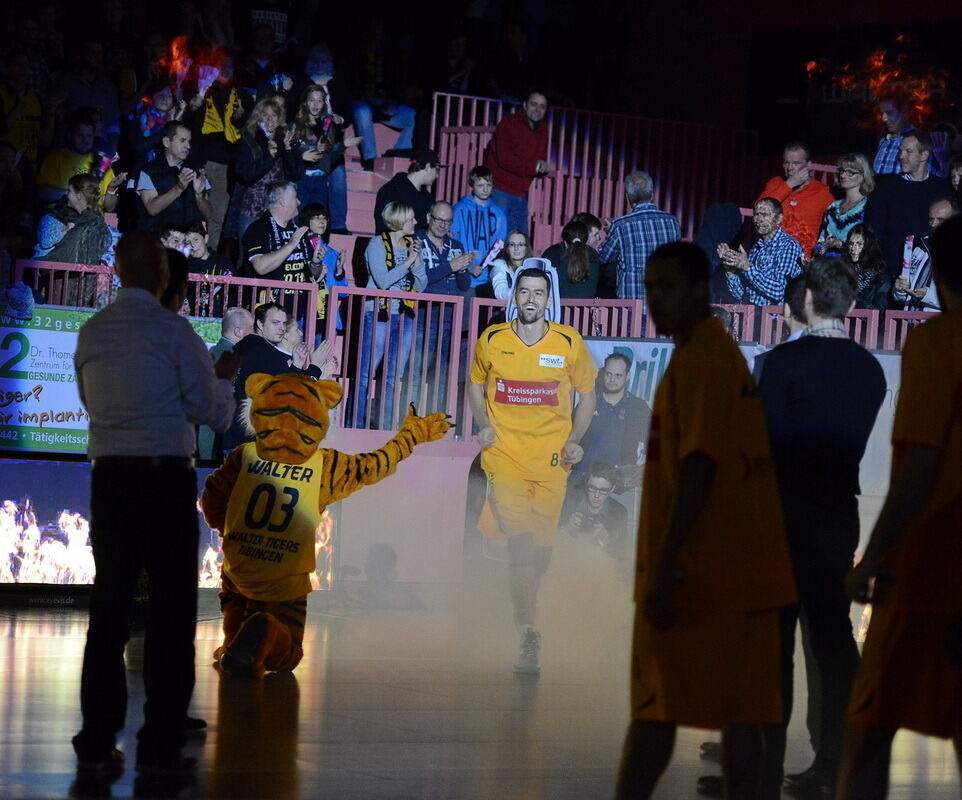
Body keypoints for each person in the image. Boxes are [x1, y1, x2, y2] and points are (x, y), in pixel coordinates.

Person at [614, 242, 796, 800]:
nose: (655, 299)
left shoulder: (700, 361)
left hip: (699, 577)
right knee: (741, 719)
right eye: (649, 287)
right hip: (745, 575)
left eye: (667, 286)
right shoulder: (718, 354)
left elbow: (697, 467)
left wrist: (667, 565)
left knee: (655, 711)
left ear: (701, 292)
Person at [71, 232, 239, 773]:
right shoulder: (174, 332)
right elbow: (211, 412)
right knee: (171, 609)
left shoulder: (93, 333)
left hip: (111, 479)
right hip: (165, 480)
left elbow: (87, 399)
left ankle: (98, 733)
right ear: (162, 278)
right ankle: (163, 725)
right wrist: (223, 383)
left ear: (119, 271)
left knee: (110, 606)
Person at [837, 215, 962, 799]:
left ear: (938, 272)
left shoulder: (939, 342)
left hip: (932, 566)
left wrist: (871, 559)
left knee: (869, 727)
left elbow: (918, 470)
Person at [756, 257, 886, 797]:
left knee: (772, 643)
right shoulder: (870, 370)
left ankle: (759, 771)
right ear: (852, 306)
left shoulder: (781, 364)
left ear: (805, 299)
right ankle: (836, 764)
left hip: (782, 514)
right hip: (837, 516)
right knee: (833, 640)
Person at [468, 268, 597, 674]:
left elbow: (588, 395)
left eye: (538, 294)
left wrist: (575, 438)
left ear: (548, 300)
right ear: (515, 296)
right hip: (503, 458)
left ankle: (525, 614)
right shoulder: (492, 339)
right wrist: (482, 423)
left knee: (539, 556)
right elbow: (474, 383)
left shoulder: (567, 342)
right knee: (522, 547)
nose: (530, 299)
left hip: (552, 464)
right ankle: (528, 633)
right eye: (524, 291)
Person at [354, 202, 427, 429]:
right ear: (399, 220)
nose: (416, 222)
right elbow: (383, 282)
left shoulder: (411, 245)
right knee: (366, 374)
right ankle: (355, 424)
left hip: (404, 316)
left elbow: (422, 285)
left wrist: (416, 262)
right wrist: (407, 261)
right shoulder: (376, 244)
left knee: (394, 377)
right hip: (378, 314)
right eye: (411, 218)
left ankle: (384, 426)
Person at [222, 301, 321, 453]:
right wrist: (315, 368)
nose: (281, 328)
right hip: (253, 443)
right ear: (260, 324)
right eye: (275, 323)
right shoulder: (266, 353)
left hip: (231, 438)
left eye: (283, 323)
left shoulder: (241, 347)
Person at [865, 130, 951, 280]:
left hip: (931, 276)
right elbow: (874, 232)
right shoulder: (884, 187)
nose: (901, 156)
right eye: (901, 151)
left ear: (924, 155)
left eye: (908, 151)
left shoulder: (942, 189)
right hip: (890, 275)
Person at [415, 201, 473, 410]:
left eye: (447, 221)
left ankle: (435, 423)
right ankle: (405, 421)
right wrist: (451, 266)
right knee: (415, 372)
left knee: (442, 375)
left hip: (450, 320)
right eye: (439, 219)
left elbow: (465, 285)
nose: (442, 225)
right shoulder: (416, 241)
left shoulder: (455, 246)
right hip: (424, 319)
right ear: (429, 218)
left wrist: (462, 270)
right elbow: (419, 280)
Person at [599, 171, 681, 300]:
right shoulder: (672, 222)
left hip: (631, 306)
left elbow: (603, 257)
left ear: (627, 198)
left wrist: (611, 233)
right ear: (652, 195)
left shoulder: (620, 225)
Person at [234, 98, 304, 242]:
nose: (270, 119)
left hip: (277, 212)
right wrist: (269, 157)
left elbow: (294, 175)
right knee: (247, 258)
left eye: (274, 115)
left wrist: (289, 149)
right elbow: (246, 176)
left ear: (279, 119)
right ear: (258, 118)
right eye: (265, 115)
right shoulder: (247, 141)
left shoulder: (285, 140)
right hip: (251, 210)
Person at [483, 90, 552, 233]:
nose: (538, 109)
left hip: (520, 193)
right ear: (525, 105)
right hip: (499, 189)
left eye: (542, 106)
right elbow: (505, 159)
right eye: (534, 104)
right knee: (496, 239)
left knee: (520, 243)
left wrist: (542, 167)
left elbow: (540, 159)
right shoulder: (509, 123)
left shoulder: (543, 129)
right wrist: (534, 168)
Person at [720, 197, 803, 306]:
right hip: (752, 316)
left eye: (764, 215)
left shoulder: (788, 246)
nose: (758, 219)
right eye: (756, 214)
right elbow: (741, 295)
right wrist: (730, 270)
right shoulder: (756, 249)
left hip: (774, 319)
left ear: (779, 219)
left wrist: (746, 266)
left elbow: (779, 291)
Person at [756, 141, 833, 257]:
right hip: (770, 256)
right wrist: (789, 185)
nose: (790, 168)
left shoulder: (823, 192)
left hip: (803, 260)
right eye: (786, 163)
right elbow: (759, 210)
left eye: (796, 163)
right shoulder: (776, 183)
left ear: (808, 165)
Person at [135, 121, 212, 235]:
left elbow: (208, 214)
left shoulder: (196, 170)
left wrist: (199, 196)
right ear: (167, 142)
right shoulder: (149, 171)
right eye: (182, 141)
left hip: (190, 243)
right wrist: (178, 188)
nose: (188, 146)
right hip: (162, 241)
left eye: (189, 141)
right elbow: (152, 208)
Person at [241, 181, 311, 305]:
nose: (299, 202)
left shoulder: (297, 230)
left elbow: (312, 273)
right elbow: (261, 267)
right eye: (295, 198)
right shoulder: (258, 229)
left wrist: (316, 264)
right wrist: (290, 245)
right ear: (283, 201)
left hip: (296, 311)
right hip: (267, 312)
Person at [198, 307, 254, 461]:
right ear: (238, 331)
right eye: (251, 328)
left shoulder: (212, 353)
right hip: (216, 443)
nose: (255, 333)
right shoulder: (233, 358)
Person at [892, 196, 959, 312]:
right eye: (931, 219)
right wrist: (899, 290)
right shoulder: (919, 249)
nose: (933, 224)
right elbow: (903, 297)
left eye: (940, 219)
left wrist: (928, 295)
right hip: (910, 324)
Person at [450, 165, 508, 294]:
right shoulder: (459, 209)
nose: (485, 189)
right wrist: (468, 267)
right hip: (463, 276)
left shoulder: (498, 213)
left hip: (488, 278)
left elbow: (499, 244)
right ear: (472, 185)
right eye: (480, 185)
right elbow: (452, 242)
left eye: (488, 185)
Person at [558, 461, 629, 561]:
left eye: (603, 490)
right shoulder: (569, 503)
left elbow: (620, 555)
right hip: (569, 559)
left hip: (599, 564)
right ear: (586, 484)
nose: (596, 495)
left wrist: (607, 541)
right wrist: (567, 527)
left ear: (612, 488)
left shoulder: (619, 512)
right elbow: (549, 545)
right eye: (592, 488)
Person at [299, 203, 347, 343]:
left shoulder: (331, 253)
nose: (322, 222)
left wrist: (339, 270)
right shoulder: (298, 247)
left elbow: (343, 292)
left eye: (324, 218)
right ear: (306, 220)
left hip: (325, 314)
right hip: (302, 312)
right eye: (316, 217)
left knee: (319, 362)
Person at [816, 153, 874, 253]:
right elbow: (821, 241)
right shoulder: (833, 207)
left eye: (850, 172)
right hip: (828, 265)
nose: (843, 175)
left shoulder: (868, 207)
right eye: (842, 171)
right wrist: (820, 249)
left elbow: (869, 246)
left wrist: (840, 245)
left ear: (863, 175)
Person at [373, 150, 441, 234]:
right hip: (394, 245)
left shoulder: (427, 197)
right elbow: (383, 226)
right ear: (427, 167)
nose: (437, 175)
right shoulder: (391, 190)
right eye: (437, 170)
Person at [542, 219, 601, 298]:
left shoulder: (557, 255)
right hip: (587, 308)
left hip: (561, 307)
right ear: (585, 238)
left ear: (565, 241)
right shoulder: (594, 257)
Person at [844, 224, 890, 311]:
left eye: (859, 244)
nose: (853, 248)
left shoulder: (880, 274)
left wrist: (853, 299)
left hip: (866, 323)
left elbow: (879, 310)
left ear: (868, 245)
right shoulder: (843, 269)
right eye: (851, 243)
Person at [872, 94, 915, 176]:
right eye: (882, 114)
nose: (883, 118)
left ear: (904, 112)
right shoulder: (883, 141)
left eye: (889, 112)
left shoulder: (919, 140)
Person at [490, 230, 532, 301]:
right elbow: (500, 293)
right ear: (507, 249)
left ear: (526, 248)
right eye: (512, 245)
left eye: (520, 244)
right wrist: (522, 294)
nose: (516, 248)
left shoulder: (532, 267)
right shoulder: (499, 266)